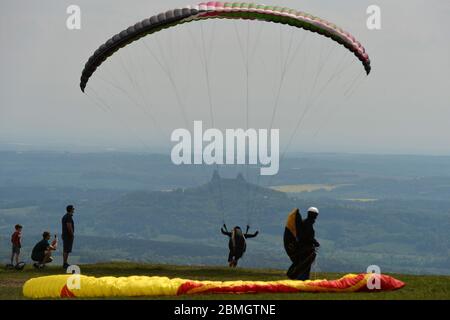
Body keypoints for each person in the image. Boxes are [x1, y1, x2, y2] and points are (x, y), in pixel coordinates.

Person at [288, 207, 320, 280]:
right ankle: (302, 280)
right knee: (305, 265)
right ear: (315, 215)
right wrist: (315, 242)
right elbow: (307, 237)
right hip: (305, 249)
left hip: (301, 248)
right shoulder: (308, 224)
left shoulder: (304, 222)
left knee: (302, 264)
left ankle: (300, 279)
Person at [62, 205, 75, 269]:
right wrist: (72, 234)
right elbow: (69, 226)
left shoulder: (65, 216)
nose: (74, 210)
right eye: (73, 209)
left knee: (66, 249)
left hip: (65, 235)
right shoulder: (68, 217)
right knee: (66, 249)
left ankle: (65, 262)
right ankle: (65, 263)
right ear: (70, 209)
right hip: (68, 236)